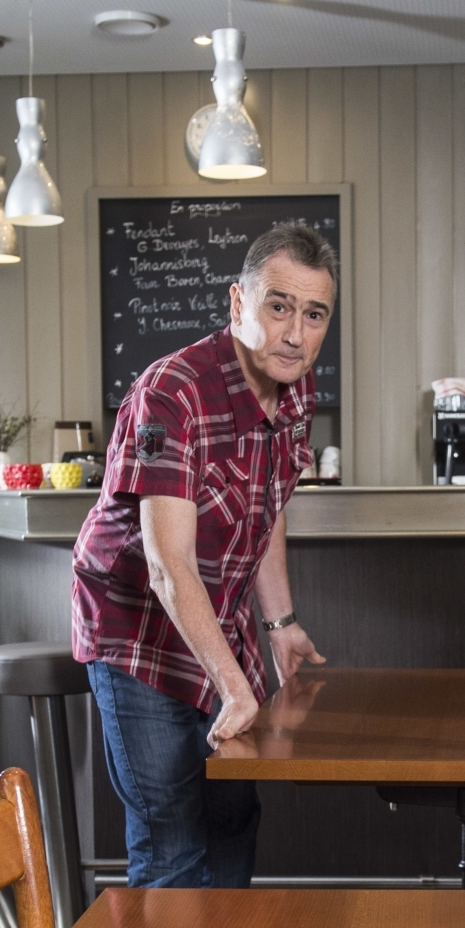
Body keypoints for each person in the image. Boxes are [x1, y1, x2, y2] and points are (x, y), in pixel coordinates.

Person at [71, 224, 335, 887]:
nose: (296, 333)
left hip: (214, 622)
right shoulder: (169, 396)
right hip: (139, 632)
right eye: (279, 306)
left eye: (314, 314)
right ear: (236, 304)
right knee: (174, 842)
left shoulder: (295, 390)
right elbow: (167, 566)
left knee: (234, 817)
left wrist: (280, 623)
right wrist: (232, 683)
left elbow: (266, 501)